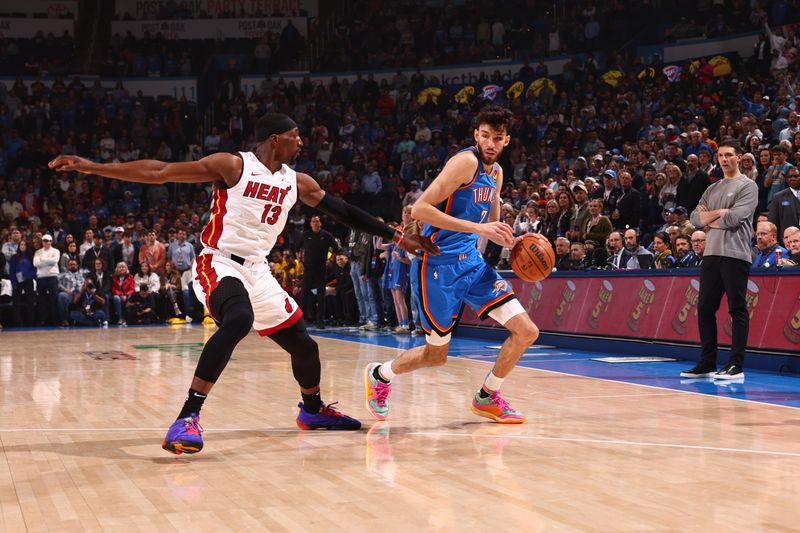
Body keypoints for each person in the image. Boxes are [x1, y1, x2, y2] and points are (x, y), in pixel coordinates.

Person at [49, 112, 436, 454]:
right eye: (295, 136)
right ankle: (188, 417)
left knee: (305, 346)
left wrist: (398, 236)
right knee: (238, 319)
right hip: (218, 261)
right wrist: (91, 166)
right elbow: (159, 171)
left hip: (258, 270)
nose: (301, 142)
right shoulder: (233, 165)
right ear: (274, 139)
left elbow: (346, 212)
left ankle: (313, 411)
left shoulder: (296, 181)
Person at [364, 105, 539, 425]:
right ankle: (380, 374)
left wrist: (509, 240)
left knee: (526, 331)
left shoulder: (497, 173)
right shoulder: (465, 163)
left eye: (497, 138)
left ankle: (487, 396)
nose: (490, 143)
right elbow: (419, 209)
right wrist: (478, 229)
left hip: (471, 264)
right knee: (436, 355)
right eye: (484, 136)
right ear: (476, 135)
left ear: (506, 141)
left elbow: (494, 221)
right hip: (437, 267)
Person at [681, 140, 758, 381]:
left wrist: (710, 219)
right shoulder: (712, 188)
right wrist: (717, 214)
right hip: (711, 255)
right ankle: (707, 363)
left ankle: (736, 365)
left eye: (728, 155)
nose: (724, 159)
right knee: (704, 308)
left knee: (737, 309)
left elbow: (734, 219)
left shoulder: (748, 186)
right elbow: (694, 218)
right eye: (720, 156)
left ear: (739, 156)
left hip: (735, 255)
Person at [300, 215, 337, 328]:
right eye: (313, 221)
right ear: (310, 223)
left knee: (321, 296)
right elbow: (297, 249)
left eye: (317, 221)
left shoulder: (326, 235)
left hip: (321, 269)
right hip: (308, 269)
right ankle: (302, 319)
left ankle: (319, 321)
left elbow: (336, 248)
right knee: (304, 295)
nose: (315, 223)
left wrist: (330, 260)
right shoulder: (305, 235)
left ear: (320, 223)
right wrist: (301, 262)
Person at [767, 167, 800, 245]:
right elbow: (773, 223)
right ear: (786, 179)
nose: (792, 179)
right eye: (789, 177)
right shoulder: (778, 197)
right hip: (787, 243)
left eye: (796, 176)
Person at [33, 233, 60, 326]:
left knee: (54, 300)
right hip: (41, 278)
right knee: (41, 300)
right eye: (45, 241)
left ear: (51, 241)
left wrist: (43, 259)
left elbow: (55, 261)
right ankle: (42, 320)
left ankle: (56, 321)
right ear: (42, 242)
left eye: (49, 241)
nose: (47, 242)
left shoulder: (56, 251)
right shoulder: (37, 252)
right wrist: (48, 260)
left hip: (52, 277)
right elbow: (36, 264)